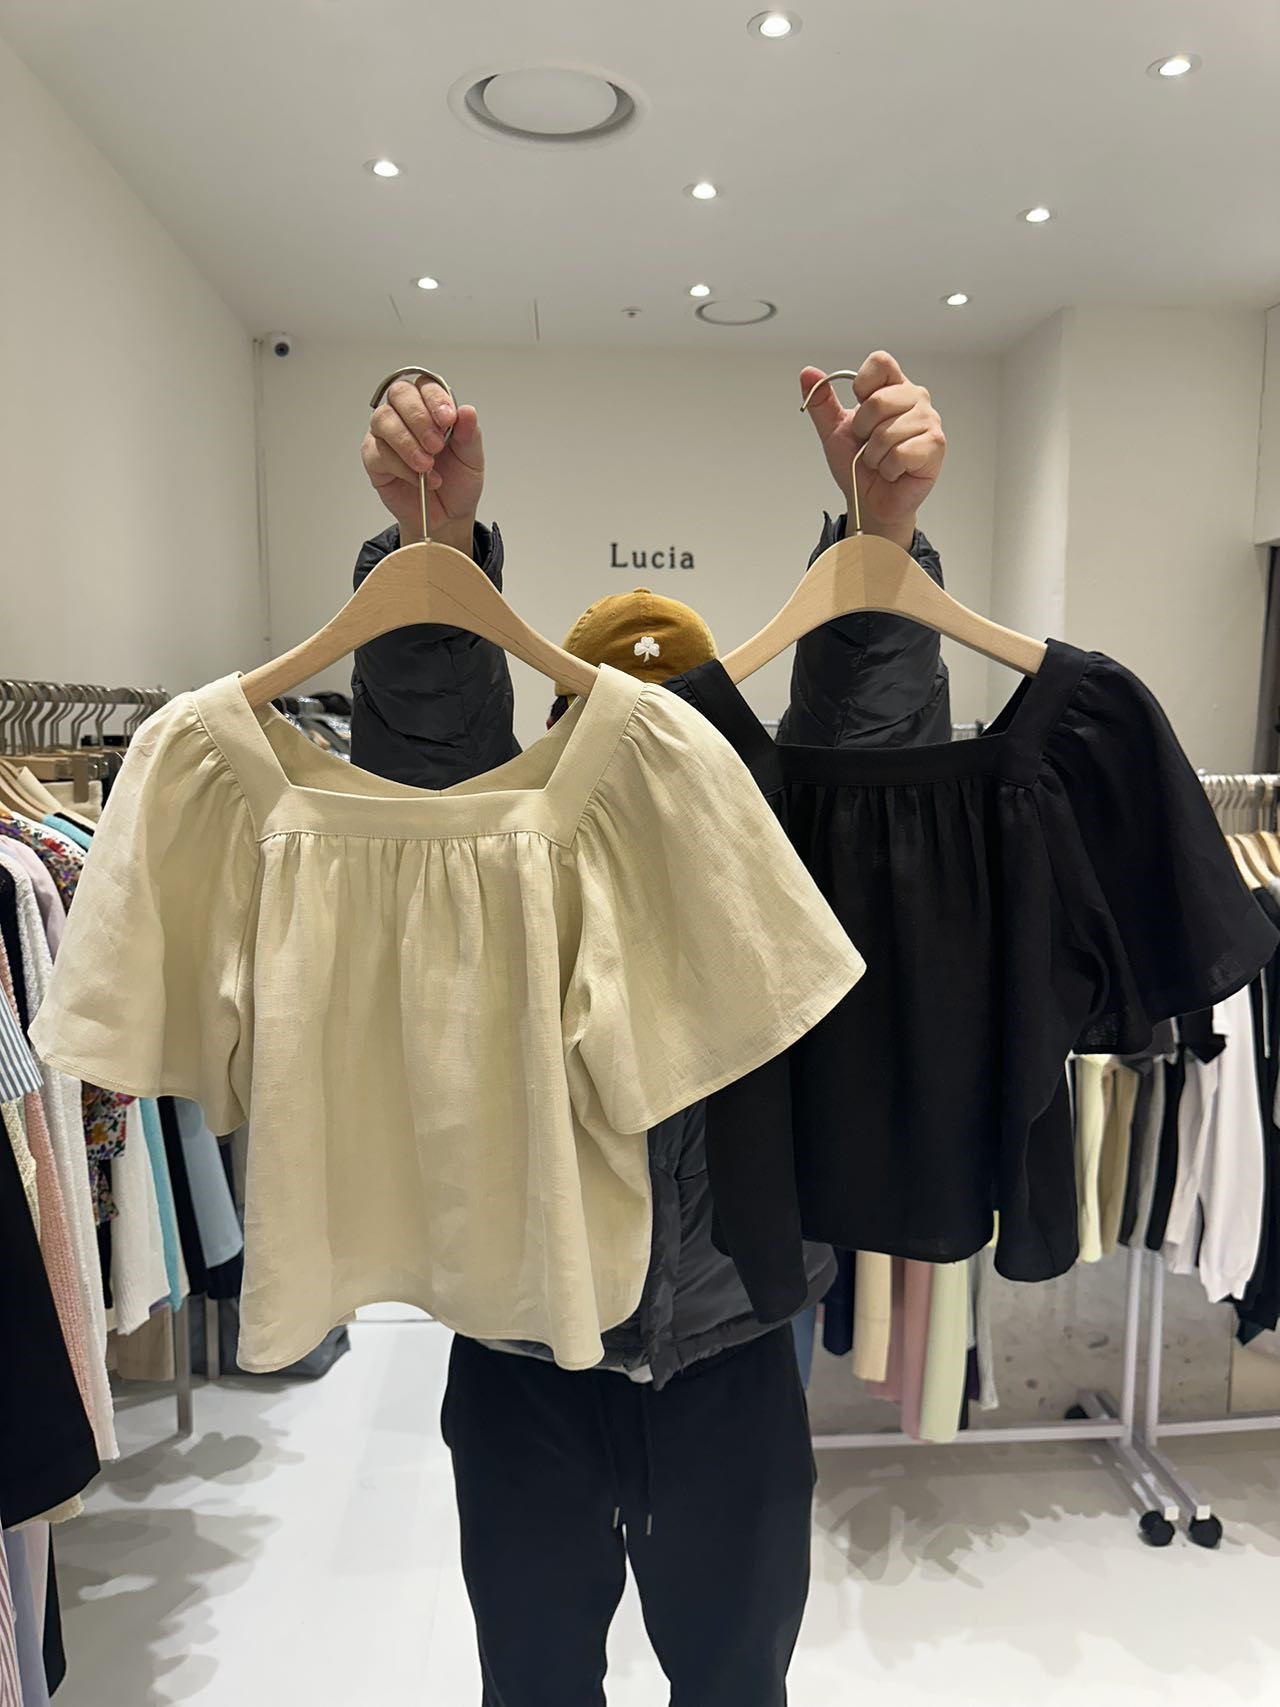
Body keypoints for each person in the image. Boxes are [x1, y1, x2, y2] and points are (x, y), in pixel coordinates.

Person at [351, 354, 948, 1706]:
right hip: (522, 1343)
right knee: (535, 1684)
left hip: (732, 1345)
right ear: (557, 721)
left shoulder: (782, 856)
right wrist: (433, 556)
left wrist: (879, 548)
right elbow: (432, 777)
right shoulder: (495, 849)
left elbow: (868, 776)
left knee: (735, 1682)